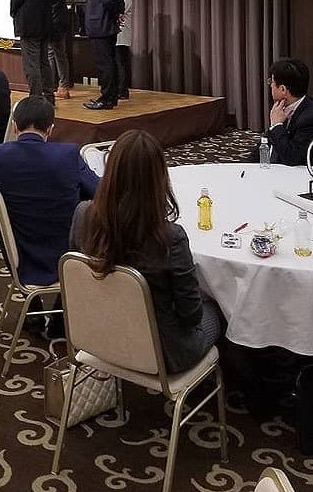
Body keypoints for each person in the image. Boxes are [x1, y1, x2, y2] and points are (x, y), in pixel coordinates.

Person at [70, 129, 223, 374]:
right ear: (159, 179)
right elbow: (190, 316)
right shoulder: (169, 237)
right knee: (221, 308)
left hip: (100, 337)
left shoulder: (83, 215)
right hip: (163, 354)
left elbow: (80, 278)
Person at [0, 95, 99, 287]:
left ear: (14, 126)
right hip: (70, 258)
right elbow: (99, 192)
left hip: (20, 256)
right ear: (50, 129)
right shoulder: (68, 154)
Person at [261, 57, 313, 168]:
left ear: (283, 89)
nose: (271, 86)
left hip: (308, 176)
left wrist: (276, 126)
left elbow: (291, 158)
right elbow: (264, 145)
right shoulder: (282, 109)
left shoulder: (312, 119)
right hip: (281, 172)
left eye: (272, 82)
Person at [10, 0, 56, 106]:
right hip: (45, 25)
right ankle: (49, 97)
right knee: (44, 63)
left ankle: (36, 99)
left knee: (32, 64)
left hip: (29, 27)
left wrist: (12, 12)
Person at [83, 0, 123, 110]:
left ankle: (105, 98)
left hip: (100, 26)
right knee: (110, 62)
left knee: (104, 65)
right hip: (108, 26)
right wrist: (117, 14)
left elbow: (106, 0)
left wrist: (112, 15)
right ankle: (111, 97)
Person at [48, 0, 72, 100]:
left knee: (52, 54)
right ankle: (62, 85)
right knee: (59, 54)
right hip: (61, 21)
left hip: (53, 22)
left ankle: (55, 86)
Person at [115, 0, 133, 101]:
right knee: (118, 61)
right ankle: (119, 88)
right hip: (117, 32)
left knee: (120, 61)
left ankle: (122, 90)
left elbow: (120, 10)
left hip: (121, 32)